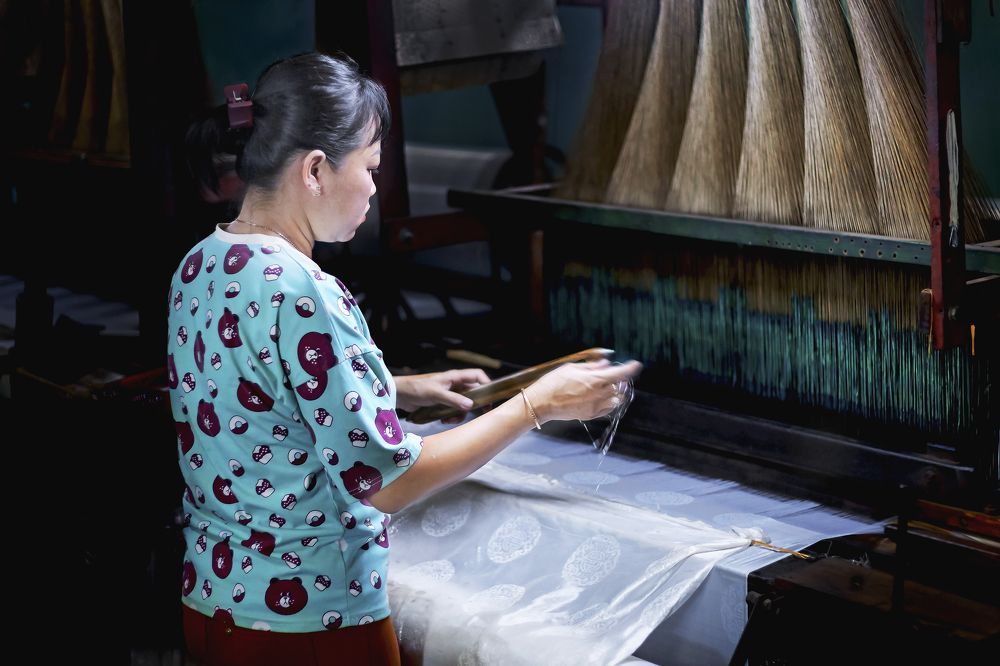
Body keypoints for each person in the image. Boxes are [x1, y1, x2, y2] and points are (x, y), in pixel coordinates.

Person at [167, 51, 641, 666]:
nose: (375, 187)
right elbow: (390, 480)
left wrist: (396, 386)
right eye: (369, 166)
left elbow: (255, 399)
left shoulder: (201, 264)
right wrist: (536, 404)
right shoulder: (305, 291)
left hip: (214, 603)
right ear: (315, 170)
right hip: (310, 624)